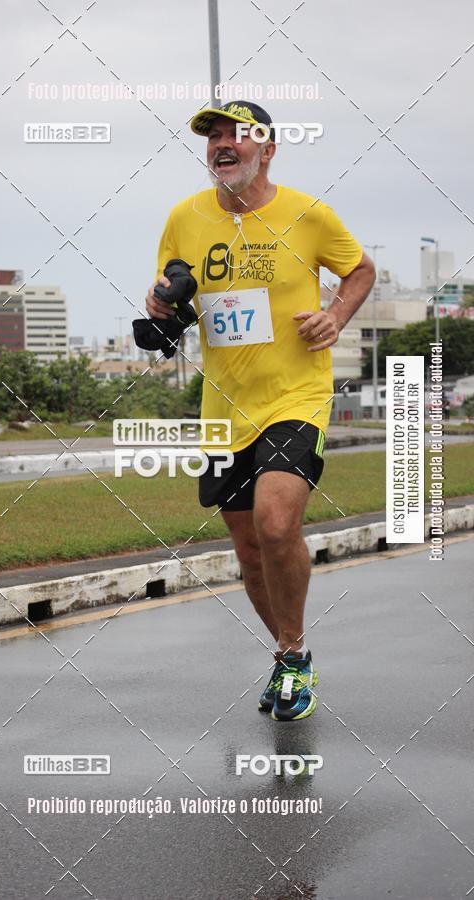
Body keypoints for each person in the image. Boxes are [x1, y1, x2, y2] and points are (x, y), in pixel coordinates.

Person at [145, 101, 375, 721]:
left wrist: (336, 315)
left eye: (235, 136)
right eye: (213, 136)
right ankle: (288, 653)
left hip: (294, 397)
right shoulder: (184, 218)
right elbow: (175, 295)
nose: (222, 144)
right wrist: (162, 309)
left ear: (266, 149)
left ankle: (296, 657)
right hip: (223, 408)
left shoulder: (307, 214)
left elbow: (359, 270)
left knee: (276, 525)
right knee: (248, 550)